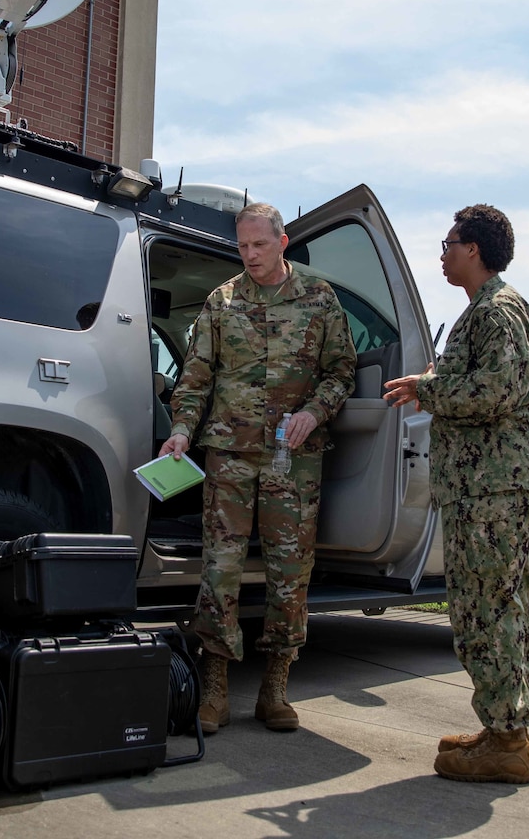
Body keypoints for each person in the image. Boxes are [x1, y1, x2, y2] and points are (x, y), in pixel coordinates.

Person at [161, 202, 357, 734]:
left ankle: (275, 687)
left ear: (282, 242)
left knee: (289, 573)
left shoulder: (319, 299)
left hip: (293, 461)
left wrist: (315, 412)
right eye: (242, 246)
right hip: (229, 454)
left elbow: (342, 371)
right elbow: (196, 377)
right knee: (219, 569)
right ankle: (217, 687)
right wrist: (181, 429)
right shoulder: (221, 301)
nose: (249, 255)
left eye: (259, 245)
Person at [382, 205, 529, 784]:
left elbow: (500, 389)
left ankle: (508, 743)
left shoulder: (497, 311)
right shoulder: (485, 312)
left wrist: (428, 388)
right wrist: (439, 383)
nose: (442, 253)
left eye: (448, 243)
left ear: (473, 249)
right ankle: (505, 727)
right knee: (493, 606)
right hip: (487, 485)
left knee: (492, 608)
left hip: (496, 486)